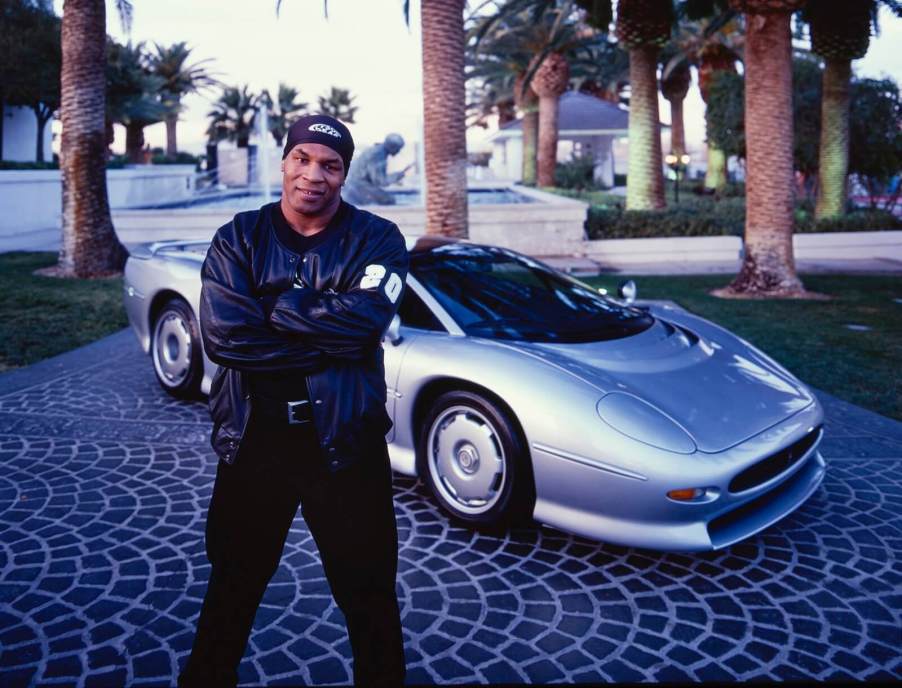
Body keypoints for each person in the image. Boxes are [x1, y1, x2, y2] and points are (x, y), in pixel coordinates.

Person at [178, 114, 408, 688]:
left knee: (370, 595)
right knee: (232, 587)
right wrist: (325, 342)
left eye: (330, 165)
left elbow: (365, 322)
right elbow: (226, 336)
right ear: (284, 162)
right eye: (302, 159)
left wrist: (277, 309)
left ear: (345, 173)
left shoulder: (378, 238)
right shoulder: (240, 235)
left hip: (346, 447)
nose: (314, 175)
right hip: (255, 444)